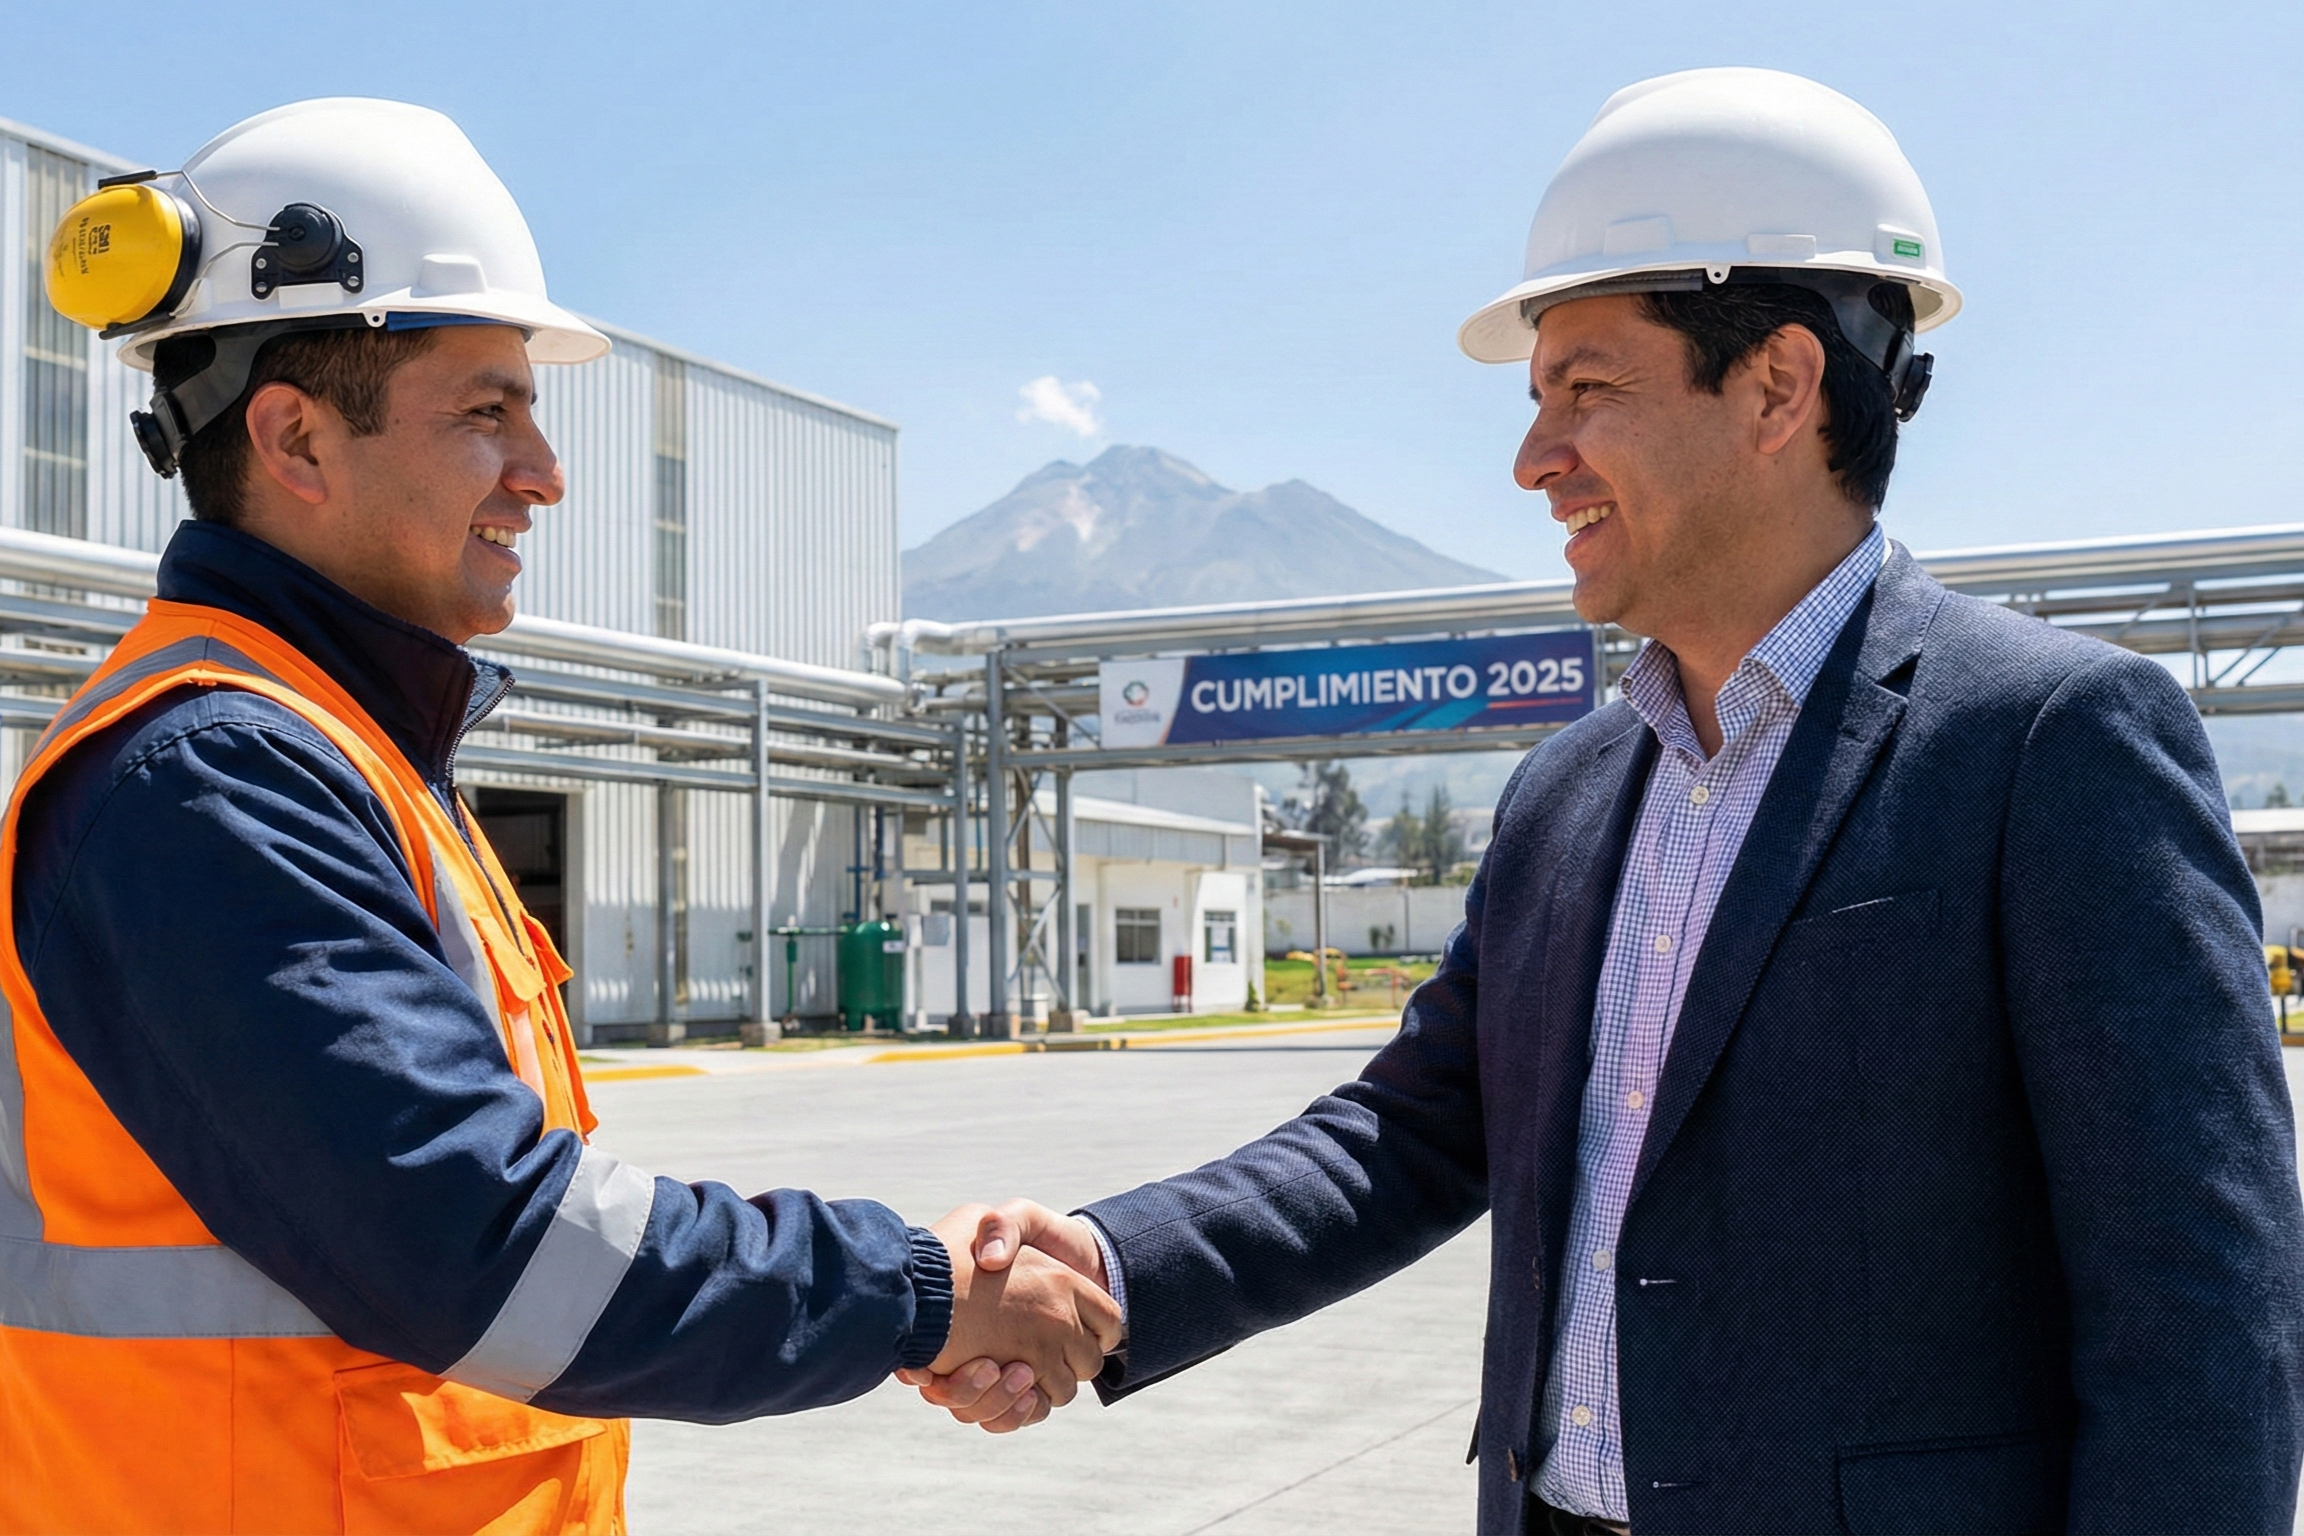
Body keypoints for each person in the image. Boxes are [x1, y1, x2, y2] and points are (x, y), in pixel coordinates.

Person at [909, 68, 2304, 1531]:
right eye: (1535, 402)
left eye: (1588, 390)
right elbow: (1412, 1134)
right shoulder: (1566, 794)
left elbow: (2201, 1321)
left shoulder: (2052, 745)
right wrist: (1103, 1266)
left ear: (1777, 386)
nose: (1531, 459)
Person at [0, 98, 1116, 1535]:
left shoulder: (354, 756)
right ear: (293, 438)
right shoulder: (208, 781)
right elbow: (486, 1243)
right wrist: (916, 1293)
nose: (546, 469)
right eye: (487, 409)